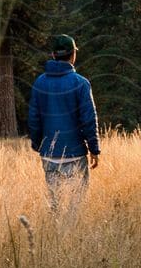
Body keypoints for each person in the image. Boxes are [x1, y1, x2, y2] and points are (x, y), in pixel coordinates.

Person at [26, 33, 100, 217]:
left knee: (55, 207)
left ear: (53, 55)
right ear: (73, 55)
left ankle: (57, 240)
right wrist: (94, 149)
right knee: (76, 208)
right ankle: (71, 241)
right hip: (75, 154)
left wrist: (38, 145)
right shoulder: (81, 83)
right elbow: (89, 119)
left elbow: (33, 119)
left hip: (49, 156)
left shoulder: (39, 83)